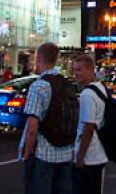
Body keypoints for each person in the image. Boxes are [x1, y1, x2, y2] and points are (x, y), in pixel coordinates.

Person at [20, 43, 73, 194]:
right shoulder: (66, 83)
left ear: (40, 58)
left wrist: (27, 153)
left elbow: (32, 127)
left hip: (43, 156)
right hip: (66, 154)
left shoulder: (39, 86)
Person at [73, 55, 109, 194]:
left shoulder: (87, 95)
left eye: (79, 70)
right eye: (75, 70)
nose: (76, 74)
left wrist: (80, 157)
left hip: (90, 158)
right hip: (100, 154)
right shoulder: (101, 88)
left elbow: (88, 127)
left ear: (90, 70)